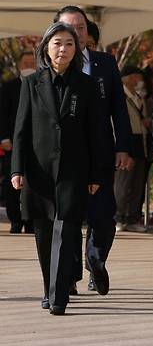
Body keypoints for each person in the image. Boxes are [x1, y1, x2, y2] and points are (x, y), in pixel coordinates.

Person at [11, 22, 101, 315]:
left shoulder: (86, 85)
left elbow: (95, 134)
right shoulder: (31, 83)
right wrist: (17, 170)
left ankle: (59, 294)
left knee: (67, 229)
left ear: (77, 50)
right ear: (46, 48)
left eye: (69, 44)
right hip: (38, 170)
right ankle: (49, 286)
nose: (63, 49)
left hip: (74, 171)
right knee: (44, 232)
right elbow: (21, 131)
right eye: (57, 43)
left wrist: (96, 175)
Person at [55, 5, 132, 295]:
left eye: (81, 27)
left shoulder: (105, 63)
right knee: (70, 215)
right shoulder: (51, 66)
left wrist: (124, 146)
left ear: (88, 32)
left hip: (100, 151)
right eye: (69, 28)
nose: (76, 33)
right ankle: (71, 272)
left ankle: (95, 262)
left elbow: (119, 110)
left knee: (103, 214)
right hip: (65, 155)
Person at [1, 51, 36, 234]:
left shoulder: (42, 85)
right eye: (26, 63)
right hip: (13, 144)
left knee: (33, 183)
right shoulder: (9, 87)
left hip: (35, 145)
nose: (29, 66)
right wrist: (4, 138)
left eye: (32, 63)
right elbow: (3, 115)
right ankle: (15, 219)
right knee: (12, 181)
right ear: (19, 66)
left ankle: (30, 220)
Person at [114, 66, 150, 232]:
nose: (138, 81)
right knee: (122, 182)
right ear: (126, 78)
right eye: (135, 77)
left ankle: (133, 217)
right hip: (126, 142)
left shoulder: (139, 97)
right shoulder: (119, 96)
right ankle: (119, 216)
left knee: (137, 183)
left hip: (141, 142)